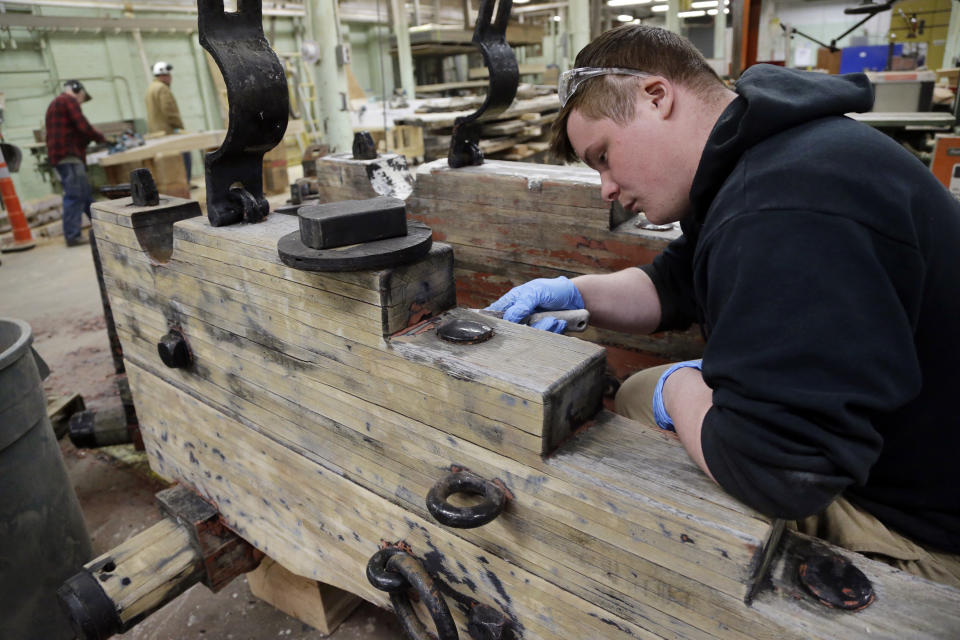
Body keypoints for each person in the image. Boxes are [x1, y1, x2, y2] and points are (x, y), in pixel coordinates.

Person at [488, 25, 960, 587]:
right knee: (643, 392)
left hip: (922, 530)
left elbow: (781, 473)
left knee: (642, 418)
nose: (606, 189)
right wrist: (578, 293)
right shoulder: (774, 157)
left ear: (656, 97)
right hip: (900, 448)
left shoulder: (785, 206)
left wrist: (678, 391)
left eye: (604, 156)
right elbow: (677, 282)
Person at [44, 79, 107, 247]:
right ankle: (72, 235)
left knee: (85, 195)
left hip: (64, 156)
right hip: (68, 156)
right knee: (74, 195)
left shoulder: (56, 103)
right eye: (82, 98)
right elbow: (83, 126)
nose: (81, 102)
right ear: (77, 90)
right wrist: (103, 138)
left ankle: (103, 228)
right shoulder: (68, 100)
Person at [145, 61, 191, 181]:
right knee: (184, 154)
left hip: (156, 132)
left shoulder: (151, 88)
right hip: (167, 132)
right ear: (164, 76)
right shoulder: (162, 88)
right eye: (169, 75)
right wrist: (180, 127)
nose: (170, 78)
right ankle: (185, 182)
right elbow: (169, 111)